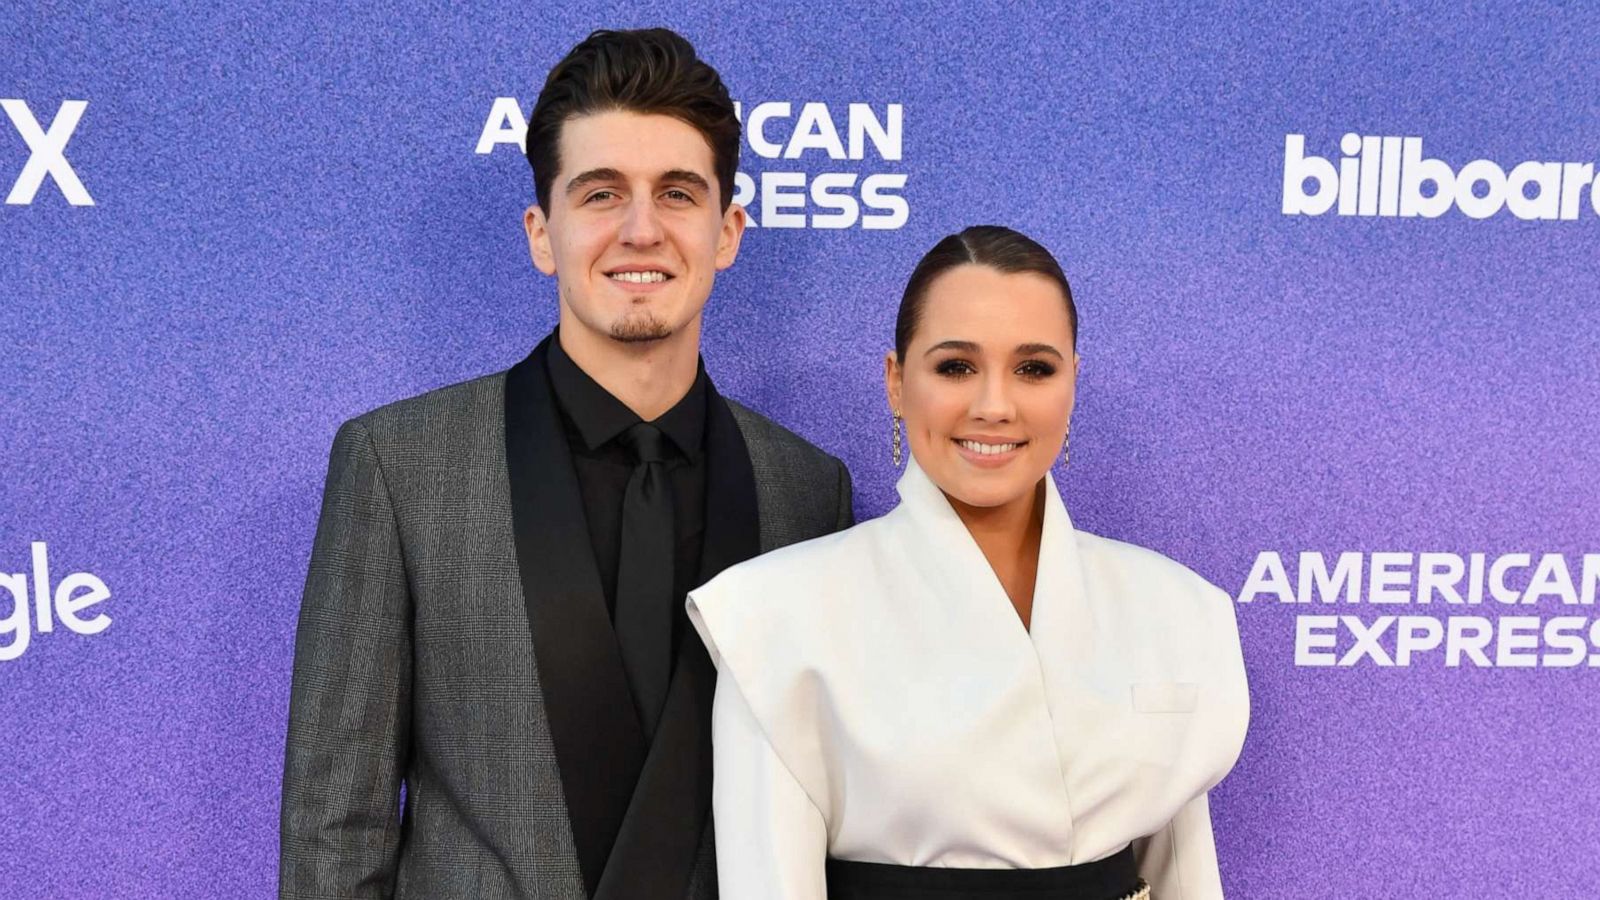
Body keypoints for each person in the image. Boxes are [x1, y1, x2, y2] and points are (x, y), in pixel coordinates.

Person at [278, 28, 854, 900]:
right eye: (600, 194)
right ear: (542, 232)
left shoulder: (806, 490)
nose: (640, 229)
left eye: (677, 193)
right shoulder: (401, 468)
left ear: (727, 231)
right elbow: (333, 833)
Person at [688, 226, 1249, 900]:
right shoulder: (776, 617)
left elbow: (1184, 879)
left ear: (1073, 382)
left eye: (1034, 368)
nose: (993, 405)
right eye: (956, 366)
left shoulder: (1176, 610)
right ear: (897, 382)